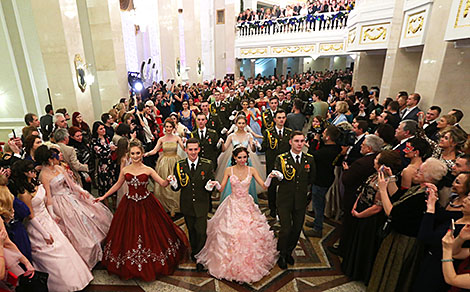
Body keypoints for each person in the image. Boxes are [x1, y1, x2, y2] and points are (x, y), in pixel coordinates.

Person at [95, 139, 189, 281]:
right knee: (126, 233)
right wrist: (104, 196)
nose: (135, 156)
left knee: (152, 232)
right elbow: (117, 185)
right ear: (129, 154)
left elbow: (162, 184)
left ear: (142, 153)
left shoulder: (148, 169)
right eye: (132, 153)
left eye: (138, 153)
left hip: (146, 203)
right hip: (129, 204)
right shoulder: (125, 169)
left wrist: (170, 179)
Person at [195, 146, 278, 283]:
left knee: (248, 233)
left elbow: (264, 186)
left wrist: (269, 177)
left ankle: (248, 264)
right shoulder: (229, 170)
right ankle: (227, 263)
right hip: (232, 204)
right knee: (229, 232)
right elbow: (221, 188)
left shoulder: (251, 170)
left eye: (245, 157)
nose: (242, 160)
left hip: (247, 204)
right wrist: (215, 184)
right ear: (234, 158)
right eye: (239, 157)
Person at [367, 158, 448, 292]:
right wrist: (391, 177)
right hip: (399, 237)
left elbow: (392, 213)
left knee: (392, 274)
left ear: (428, 177)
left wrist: (382, 189)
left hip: (404, 242)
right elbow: (400, 196)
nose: (415, 173)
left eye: (419, 172)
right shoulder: (420, 188)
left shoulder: (424, 196)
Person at [11, 161, 93, 291]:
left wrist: (52, 215)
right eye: (30, 169)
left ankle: (76, 279)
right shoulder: (24, 194)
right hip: (38, 225)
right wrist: (44, 234)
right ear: (24, 173)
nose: (34, 171)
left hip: (48, 219)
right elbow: (31, 216)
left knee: (64, 248)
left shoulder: (35, 184)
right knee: (53, 253)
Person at [35, 145, 113, 269]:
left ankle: (99, 248)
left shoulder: (59, 168)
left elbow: (71, 184)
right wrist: (52, 213)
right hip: (59, 202)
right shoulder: (43, 175)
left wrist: (81, 191)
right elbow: (48, 196)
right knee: (75, 229)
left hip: (70, 196)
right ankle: (87, 254)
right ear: (49, 159)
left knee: (91, 217)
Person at [340, 150, 401, 284]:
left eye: (376, 160)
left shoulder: (383, 181)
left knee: (364, 245)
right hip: (361, 209)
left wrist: (359, 214)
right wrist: (356, 205)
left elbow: (377, 207)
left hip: (369, 219)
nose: (374, 161)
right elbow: (363, 191)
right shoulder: (375, 174)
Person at [168, 139, 214, 272]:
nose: (193, 152)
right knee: (192, 231)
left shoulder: (207, 164)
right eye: (190, 149)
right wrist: (174, 183)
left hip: (202, 204)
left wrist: (210, 187)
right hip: (187, 204)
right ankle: (195, 252)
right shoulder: (180, 165)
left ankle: (200, 258)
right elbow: (177, 188)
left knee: (201, 231)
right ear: (186, 150)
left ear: (199, 149)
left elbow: (211, 183)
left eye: (195, 149)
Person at [274, 131, 316, 269]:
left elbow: (311, 178)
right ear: (291, 142)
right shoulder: (281, 158)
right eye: (297, 141)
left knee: (297, 229)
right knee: (286, 229)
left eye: (302, 141)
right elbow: (277, 179)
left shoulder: (309, 159)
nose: (299, 144)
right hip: (285, 199)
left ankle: (288, 252)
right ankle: (281, 254)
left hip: (300, 200)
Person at [217, 115, 266, 204]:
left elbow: (253, 149)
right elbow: (224, 149)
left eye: (243, 123)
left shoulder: (248, 135)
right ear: (236, 124)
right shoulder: (231, 136)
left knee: (247, 182)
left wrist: (254, 145)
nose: (241, 125)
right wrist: (222, 143)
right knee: (232, 183)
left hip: (246, 162)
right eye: (239, 123)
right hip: (234, 162)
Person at [304, 125, 342, 237]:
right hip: (328, 177)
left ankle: (318, 228)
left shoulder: (326, 152)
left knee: (318, 204)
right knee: (318, 202)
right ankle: (317, 221)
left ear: (329, 137)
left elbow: (311, 155)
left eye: (324, 133)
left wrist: (315, 140)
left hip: (321, 180)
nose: (322, 134)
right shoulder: (337, 148)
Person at [145, 118, 185, 217]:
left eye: (170, 127)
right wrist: (147, 154)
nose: (168, 128)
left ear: (173, 127)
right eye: (166, 127)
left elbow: (184, 148)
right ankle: (166, 206)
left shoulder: (177, 138)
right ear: (164, 127)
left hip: (175, 161)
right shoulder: (161, 139)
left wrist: (186, 143)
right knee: (164, 183)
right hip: (164, 162)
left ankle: (175, 206)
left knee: (176, 182)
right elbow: (155, 151)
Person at [261, 109, 292, 218]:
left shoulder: (289, 132)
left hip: (285, 163)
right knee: (272, 186)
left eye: (283, 117)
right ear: (274, 119)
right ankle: (272, 208)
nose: (281, 120)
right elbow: (264, 147)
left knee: (285, 185)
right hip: (272, 163)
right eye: (279, 118)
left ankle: (284, 207)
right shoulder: (268, 132)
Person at [91, 121, 118, 207]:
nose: (103, 130)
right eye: (101, 129)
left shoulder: (108, 137)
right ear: (96, 131)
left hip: (111, 164)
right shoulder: (95, 141)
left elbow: (113, 146)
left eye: (103, 128)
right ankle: (106, 205)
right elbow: (100, 152)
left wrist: (113, 149)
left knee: (113, 182)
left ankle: (115, 203)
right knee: (104, 185)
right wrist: (110, 149)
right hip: (103, 165)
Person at [68, 126, 94, 192]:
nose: (80, 137)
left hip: (89, 168)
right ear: (71, 137)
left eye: (81, 135)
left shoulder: (83, 142)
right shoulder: (72, 147)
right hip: (81, 172)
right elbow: (77, 163)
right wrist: (85, 175)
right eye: (77, 136)